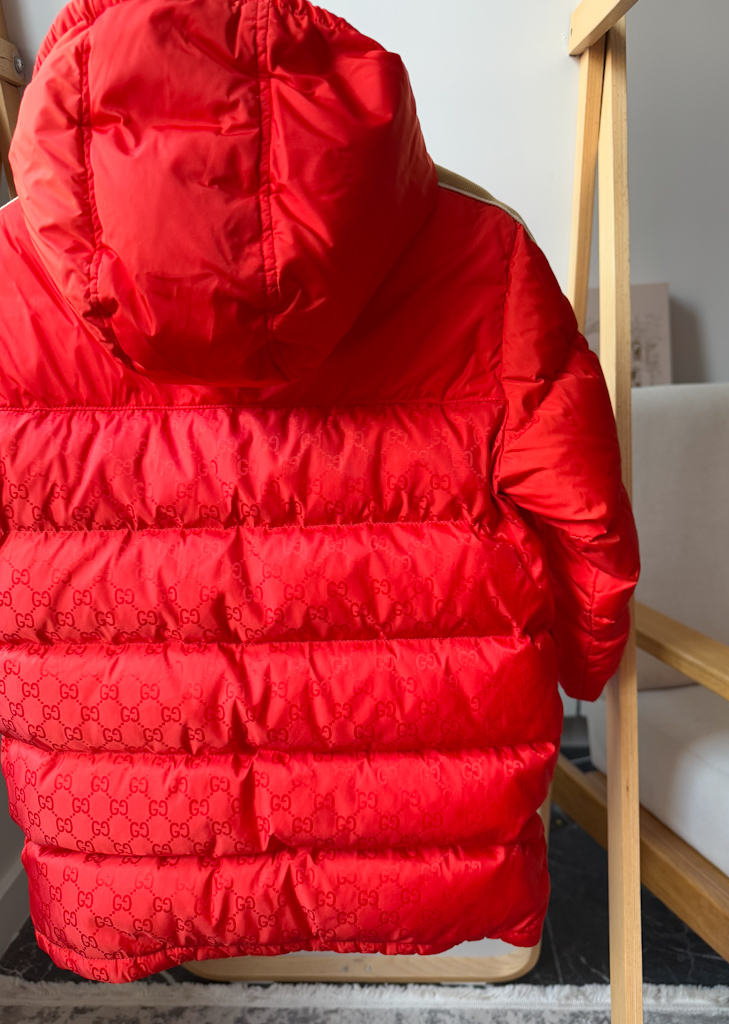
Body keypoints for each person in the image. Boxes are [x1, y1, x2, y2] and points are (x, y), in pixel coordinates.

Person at [0, 0, 639, 982]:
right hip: (431, 839)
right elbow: (584, 516)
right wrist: (587, 661)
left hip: (127, 849)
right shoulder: (485, 256)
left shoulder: (13, 279)